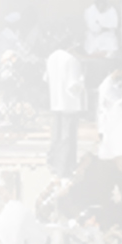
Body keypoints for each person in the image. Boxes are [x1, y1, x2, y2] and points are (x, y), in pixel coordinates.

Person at [47, 41, 85, 178]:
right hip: (69, 104)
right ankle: (66, 168)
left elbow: (46, 78)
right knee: (68, 136)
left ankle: (54, 164)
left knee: (56, 135)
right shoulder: (72, 60)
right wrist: (83, 83)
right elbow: (73, 84)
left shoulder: (51, 57)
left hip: (55, 101)